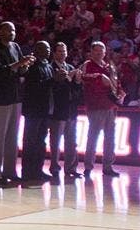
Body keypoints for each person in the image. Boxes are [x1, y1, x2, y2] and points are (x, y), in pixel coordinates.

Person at [0, 21, 34, 187]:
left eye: (13, 30)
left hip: (15, 97)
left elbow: (20, 70)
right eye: (8, 30)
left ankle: (10, 171)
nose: (11, 32)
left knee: (12, 137)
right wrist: (18, 65)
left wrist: (25, 65)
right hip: (0, 97)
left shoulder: (15, 46)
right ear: (0, 31)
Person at [80, 41, 123, 178]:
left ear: (105, 52)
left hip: (110, 106)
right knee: (93, 137)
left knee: (110, 138)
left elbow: (116, 83)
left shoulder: (109, 66)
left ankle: (108, 166)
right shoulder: (88, 65)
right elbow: (83, 77)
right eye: (96, 50)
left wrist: (121, 94)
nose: (99, 53)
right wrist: (99, 76)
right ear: (91, 52)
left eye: (101, 50)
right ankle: (88, 167)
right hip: (96, 106)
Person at [21, 41, 54, 184]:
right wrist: (52, 81)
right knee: (30, 141)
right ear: (37, 50)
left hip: (45, 109)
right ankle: (28, 171)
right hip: (33, 109)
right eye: (44, 48)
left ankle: (38, 169)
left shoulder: (48, 65)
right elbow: (33, 86)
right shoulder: (32, 65)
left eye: (48, 48)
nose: (47, 51)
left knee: (41, 141)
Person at [48, 42, 82, 179]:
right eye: (60, 51)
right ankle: (55, 167)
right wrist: (68, 78)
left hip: (70, 110)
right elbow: (55, 89)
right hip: (57, 110)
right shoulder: (51, 68)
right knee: (55, 142)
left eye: (64, 51)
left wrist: (78, 82)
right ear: (54, 53)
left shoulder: (70, 67)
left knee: (71, 140)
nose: (62, 54)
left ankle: (71, 168)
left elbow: (76, 91)